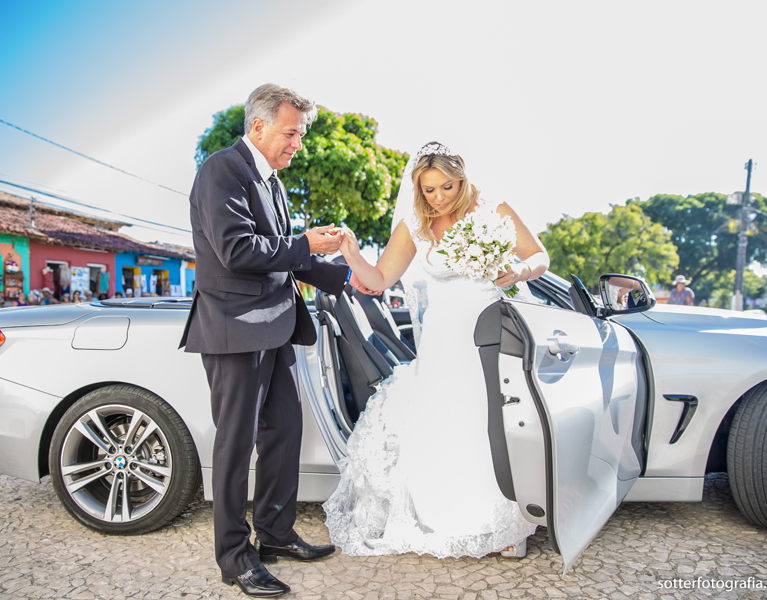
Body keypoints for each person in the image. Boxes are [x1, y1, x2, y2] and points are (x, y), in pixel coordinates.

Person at [178, 83, 371, 598]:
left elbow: (288, 256)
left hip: (277, 327)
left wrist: (348, 275)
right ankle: (235, 558)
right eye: (291, 133)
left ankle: (277, 533)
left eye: (300, 135)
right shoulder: (222, 169)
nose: (297, 144)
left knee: (284, 428)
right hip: (234, 329)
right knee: (235, 445)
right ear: (258, 126)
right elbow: (238, 250)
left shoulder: (274, 184)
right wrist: (304, 242)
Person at [324, 142, 549, 560]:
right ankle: (447, 517)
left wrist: (517, 271)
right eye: (429, 190)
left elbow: (540, 255)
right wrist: (352, 253)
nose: (439, 197)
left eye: (446, 186)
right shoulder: (415, 224)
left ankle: (501, 523)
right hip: (443, 338)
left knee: (490, 423)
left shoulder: (492, 210)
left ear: (461, 179)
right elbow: (381, 276)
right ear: (418, 189)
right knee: (445, 419)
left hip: (490, 333)